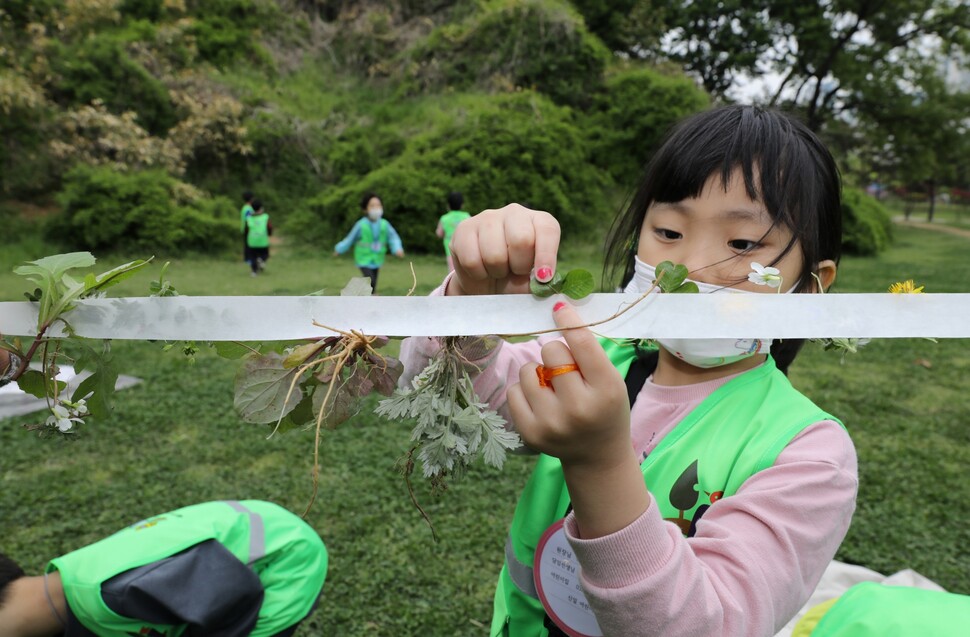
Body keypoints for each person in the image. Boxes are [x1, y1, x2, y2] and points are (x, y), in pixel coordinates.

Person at [400, 105, 856, 637]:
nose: (688, 268)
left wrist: (599, 464)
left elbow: (708, 624)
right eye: (667, 231)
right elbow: (455, 405)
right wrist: (470, 304)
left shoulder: (808, 455)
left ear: (810, 286)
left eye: (741, 244)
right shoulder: (590, 358)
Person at [0, 500, 327, 636]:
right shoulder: (69, 582)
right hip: (248, 522)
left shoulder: (116, 592)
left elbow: (231, 591)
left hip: (283, 559)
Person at [333, 193, 404, 294]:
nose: (376, 208)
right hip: (363, 258)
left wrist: (397, 249)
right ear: (365, 209)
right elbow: (350, 238)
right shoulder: (361, 225)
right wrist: (339, 249)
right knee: (371, 280)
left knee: (373, 281)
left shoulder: (385, 224)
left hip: (377, 258)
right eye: (372, 205)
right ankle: (364, 295)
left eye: (378, 205)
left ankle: (370, 297)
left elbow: (393, 238)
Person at [436, 191, 471, 270]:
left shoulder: (444, 218)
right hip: (465, 248)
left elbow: (439, 233)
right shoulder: (466, 216)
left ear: (448, 205)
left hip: (450, 249)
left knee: (452, 270)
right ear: (462, 205)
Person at [245, 199, 272, 277]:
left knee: (253, 257)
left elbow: (246, 229)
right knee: (265, 254)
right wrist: (269, 234)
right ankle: (261, 260)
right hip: (262, 240)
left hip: (252, 240)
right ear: (261, 208)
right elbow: (269, 227)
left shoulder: (249, 218)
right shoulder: (265, 217)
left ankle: (254, 272)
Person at [240, 191, 255, 266]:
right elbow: (248, 219)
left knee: (247, 244)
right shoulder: (248, 208)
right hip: (247, 228)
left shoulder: (245, 207)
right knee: (249, 244)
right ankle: (248, 259)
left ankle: (247, 258)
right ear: (251, 199)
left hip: (245, 228)